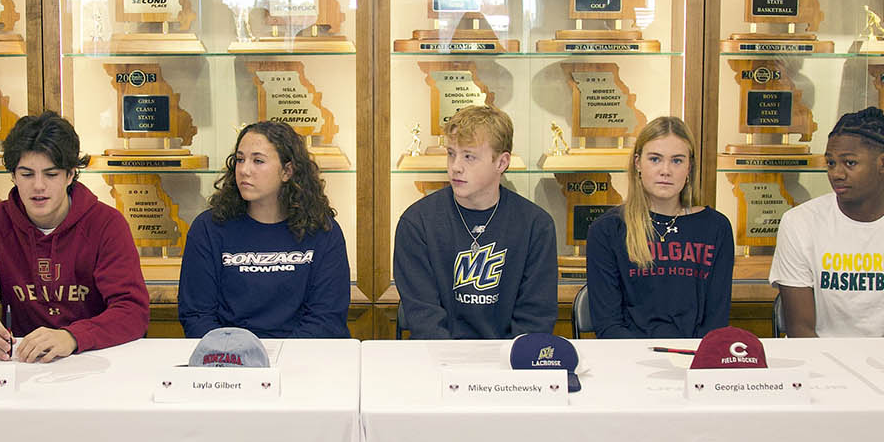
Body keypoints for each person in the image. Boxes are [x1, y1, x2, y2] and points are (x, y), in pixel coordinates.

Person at [0, 112, 149, 362]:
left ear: (70, 175)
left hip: (94, 358)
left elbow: (133, 311)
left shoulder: (107, 224)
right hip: (23, 362)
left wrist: (72, 337)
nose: (38, 186)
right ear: (13, 175)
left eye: (51, 174)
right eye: (27, 174)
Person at [770, 107, 884, 338]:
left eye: (849, 163)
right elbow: (800, 330)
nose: (836, 174)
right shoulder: (799, 223)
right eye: (831, 163)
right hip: (818, 358)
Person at [392, 105, 557, 339]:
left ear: (501, 163)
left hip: (510, 357)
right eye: (451, 154)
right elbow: (425, 321)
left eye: (469, 156)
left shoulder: (536, 226)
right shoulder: (417, 223)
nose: (455, 167)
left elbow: (535, 321)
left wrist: (503, 361)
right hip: (439, 355)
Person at [178, 120, 351, 339]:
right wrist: (238, 353)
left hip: (303, 355)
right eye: (240, 159)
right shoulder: (208, 229)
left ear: (287, 171)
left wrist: (278, 355)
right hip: (229, 355)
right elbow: (197, 316)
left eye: (258, 161)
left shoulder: (323, 230)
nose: (244, 170)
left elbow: (326, 319)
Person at [586, 116, 733, 338]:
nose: (666, 170)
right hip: (629, 355)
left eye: (677, 161)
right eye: (655, 159)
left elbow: (716, 322)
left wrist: (689, 355)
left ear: (689, 167)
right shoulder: (607, 230)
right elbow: (608, 325)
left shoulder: (716, 228)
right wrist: (649, 355)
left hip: (696, 354)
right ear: (638, 163)